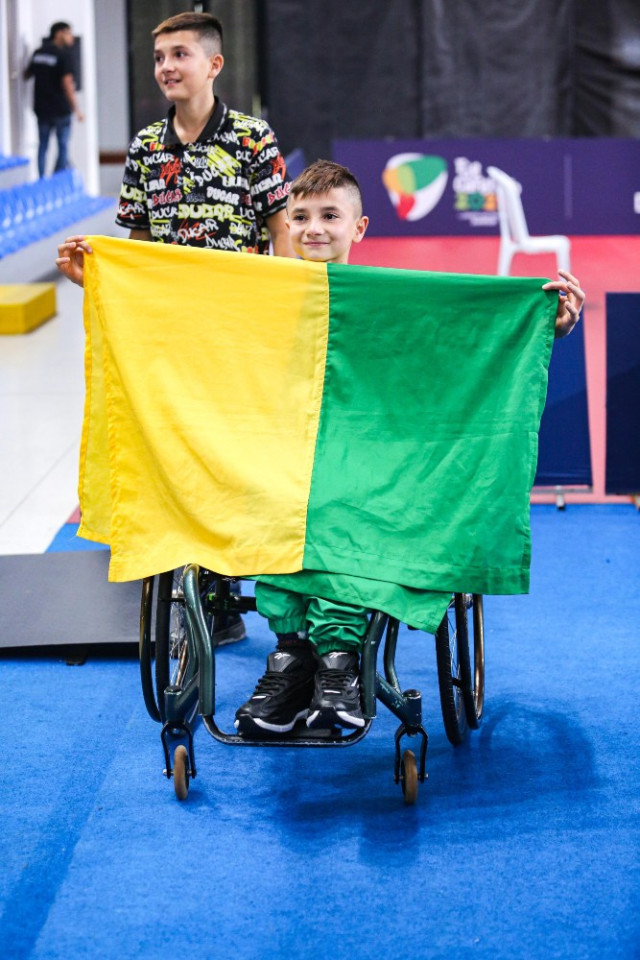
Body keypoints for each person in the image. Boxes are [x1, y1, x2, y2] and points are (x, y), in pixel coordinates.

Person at [233, 158, 586, 737]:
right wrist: (104, 283)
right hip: (292, 457)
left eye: (329, 215)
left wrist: (546, 323)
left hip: (379, 459)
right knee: (288, 504)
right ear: (286, 225)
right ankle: (298, 661)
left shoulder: (393, 298)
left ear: (359, 228)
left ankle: (336, 664)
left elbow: (462, 344)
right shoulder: (265, 295)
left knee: (343, 509)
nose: (313, 228)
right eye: (299, 217)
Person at [56, 10, 295, 644]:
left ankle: (237, 588)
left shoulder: (252, 139)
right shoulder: (143, 147)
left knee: (231, 463)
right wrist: (94, 271)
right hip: (168, 342)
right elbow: (136, 246)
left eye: (180, 55)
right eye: (160, 56)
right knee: (176, 464)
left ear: (213, 65)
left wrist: (293, 315)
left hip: (238, 336)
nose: (166, 66)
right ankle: (195, 591)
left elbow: (282, 235)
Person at [25, 21, 84, 179]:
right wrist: (77, 110)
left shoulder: (38, 53)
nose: (71, 37)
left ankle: (42, 178)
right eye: (69, 33)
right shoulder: (64, 55)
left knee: (42, 145)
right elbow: (67, 85)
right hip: (60, 109)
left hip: (42, 108)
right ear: (59, 33)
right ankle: (57, 179)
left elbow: (27, 74)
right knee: (63, 145)